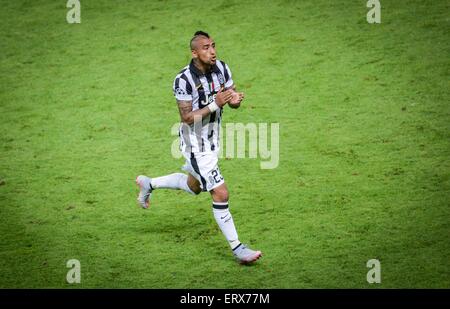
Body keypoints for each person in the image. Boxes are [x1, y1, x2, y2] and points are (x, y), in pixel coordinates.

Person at [136, 31, 261, 264]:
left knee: (194, 187)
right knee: (220, 192)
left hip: (213, 140)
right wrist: (216, 104)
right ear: (194, 52)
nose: (212, 51)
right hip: (195, 145)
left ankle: (149, 183)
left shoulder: (222, 68)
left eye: (213, 46)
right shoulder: (183, 80)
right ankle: (238, 248)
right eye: (205, 47)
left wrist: (234, 100)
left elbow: (229, 96)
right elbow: (186, 117)